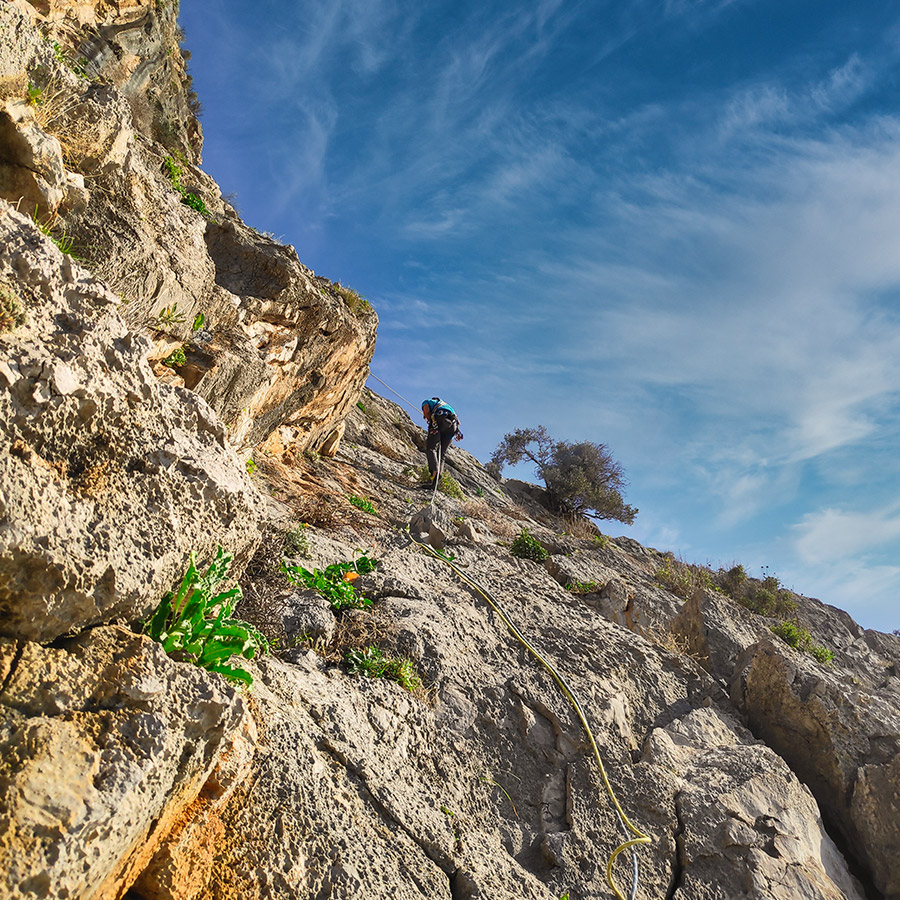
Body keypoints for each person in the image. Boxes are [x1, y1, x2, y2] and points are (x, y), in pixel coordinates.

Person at [420, 397, 463, 489]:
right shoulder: (448, 407)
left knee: (431, 448)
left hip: (439, 419)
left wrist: (429, 420)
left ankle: (434, 472)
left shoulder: (427, 402)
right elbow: (458, 423)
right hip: (452, 427)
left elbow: (426, 411)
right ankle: (435, 482)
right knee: (441, 454)